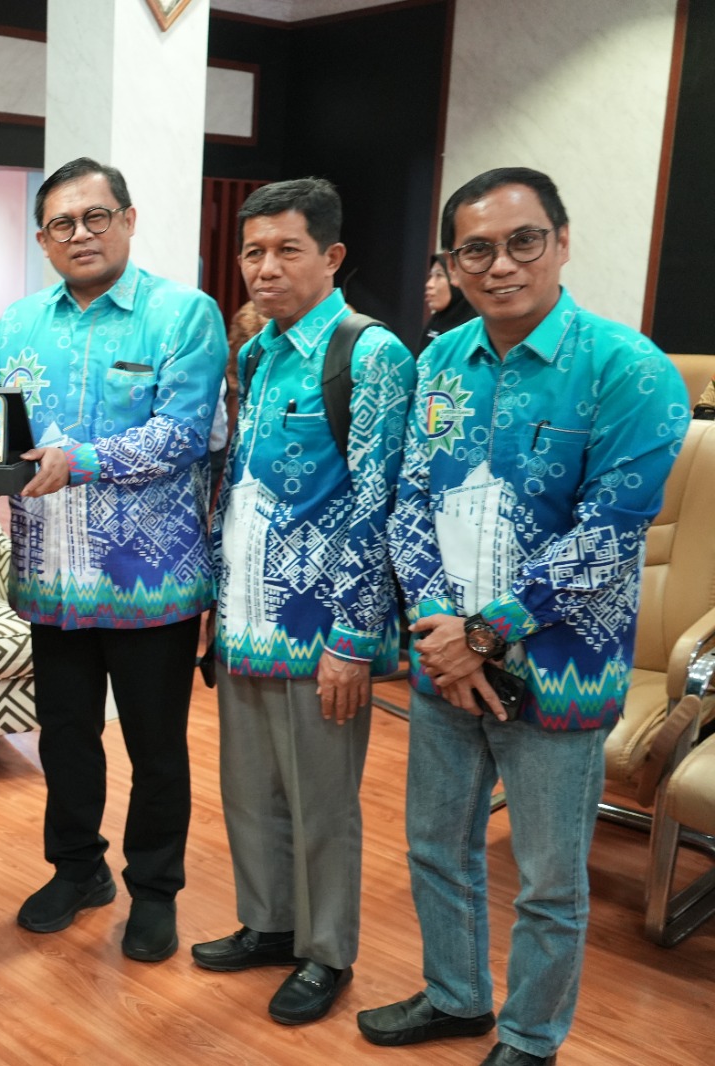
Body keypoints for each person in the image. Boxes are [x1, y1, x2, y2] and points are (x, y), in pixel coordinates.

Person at [360, 167, 689, 1066]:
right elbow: (411, 502)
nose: (500, 265)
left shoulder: (630, 370)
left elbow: (609, 535)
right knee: (437, 844)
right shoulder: (439, 362)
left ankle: (531, 1036)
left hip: (560, 669)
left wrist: (484, 635)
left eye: (523, 241)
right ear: (451, 263)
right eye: (475, 250)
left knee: (547, 878)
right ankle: (456, 996)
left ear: (562, 241)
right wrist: (441, 626)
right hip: (444, 657)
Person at [0, 157, 226, 962]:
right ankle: (77, 870)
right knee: (64, 736)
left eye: (96, 217)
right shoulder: (19, 323)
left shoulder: (183, 314)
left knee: (156, 747)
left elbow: (183, 435)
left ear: (128, 219)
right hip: (51, 574)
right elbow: (3, 429)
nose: (81, 234)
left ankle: (154, 890)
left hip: (148, 581)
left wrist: (79, 461)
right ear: (42, 240)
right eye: (62, 223)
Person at [195, 178, 415, 1024]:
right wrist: (216, 604)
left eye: (288, 250)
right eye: (253, 252)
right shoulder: (256, 353)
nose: (266, 268)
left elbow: (377, 506)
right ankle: (269, 923)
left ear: (332, 256)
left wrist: (354, 639)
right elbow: (238, 486)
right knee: (250, 791)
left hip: (320, 629)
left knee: (322, 804)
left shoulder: (370, 354)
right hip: (246, 617)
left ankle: (326, 953)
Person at [419, 252, 476, 353]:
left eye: (439, 275)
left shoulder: (476, 328)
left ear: (456, 279)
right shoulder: (434, 323)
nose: (429, 284)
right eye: (431, 276)